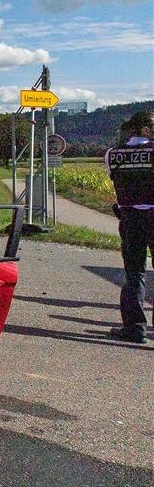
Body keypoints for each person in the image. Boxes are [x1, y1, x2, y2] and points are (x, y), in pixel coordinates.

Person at [104, 111, 153, 344]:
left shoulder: (113, 154)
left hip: (130, 216)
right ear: (146, 129)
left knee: (134, 273)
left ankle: (135, 328)